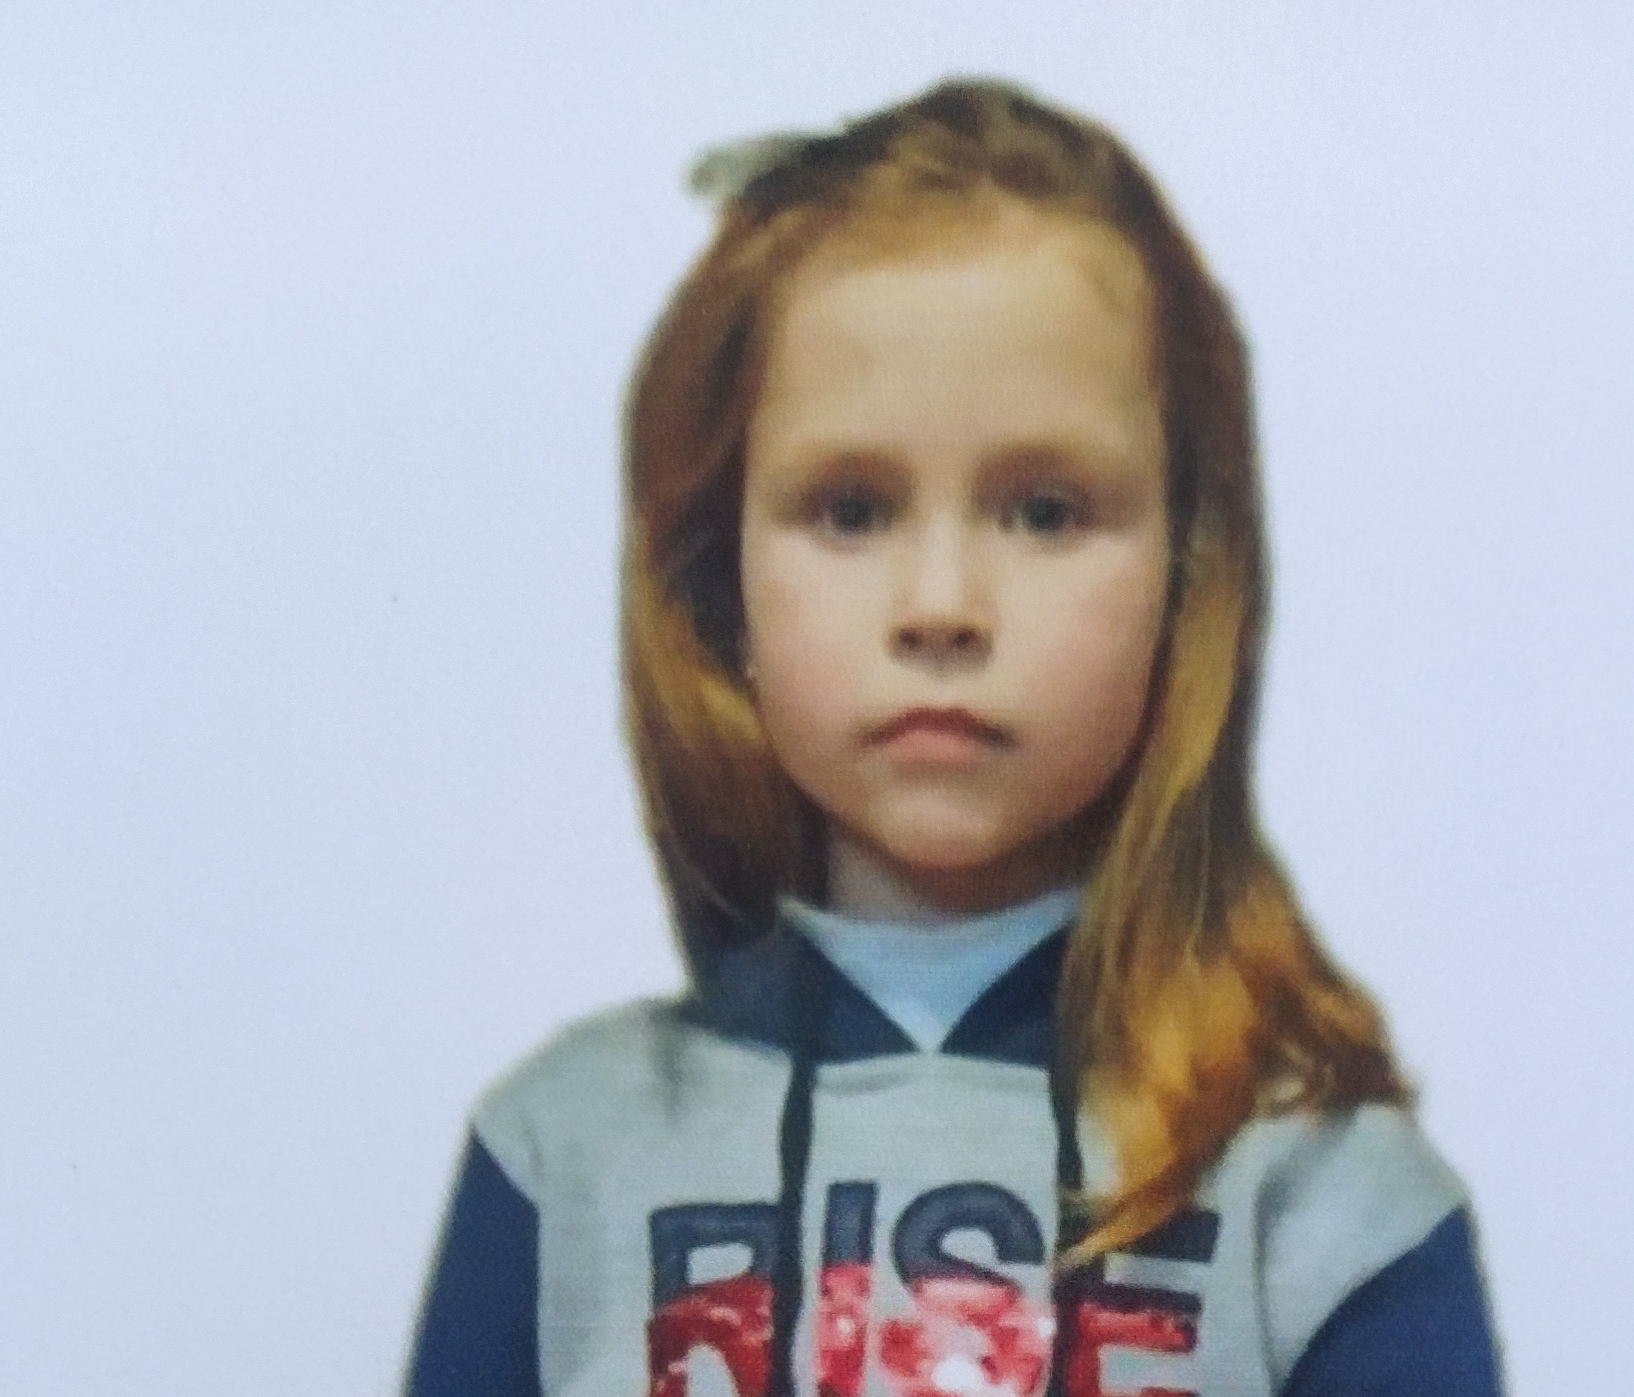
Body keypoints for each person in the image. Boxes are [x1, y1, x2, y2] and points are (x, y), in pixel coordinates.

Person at [405, 78, 1505, 1397]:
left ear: (1185, 571)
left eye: (1043, 511)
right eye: (851, 509)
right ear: (717, 578)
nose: (940, 606)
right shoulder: (562, 1156)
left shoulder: (1325, 1193)